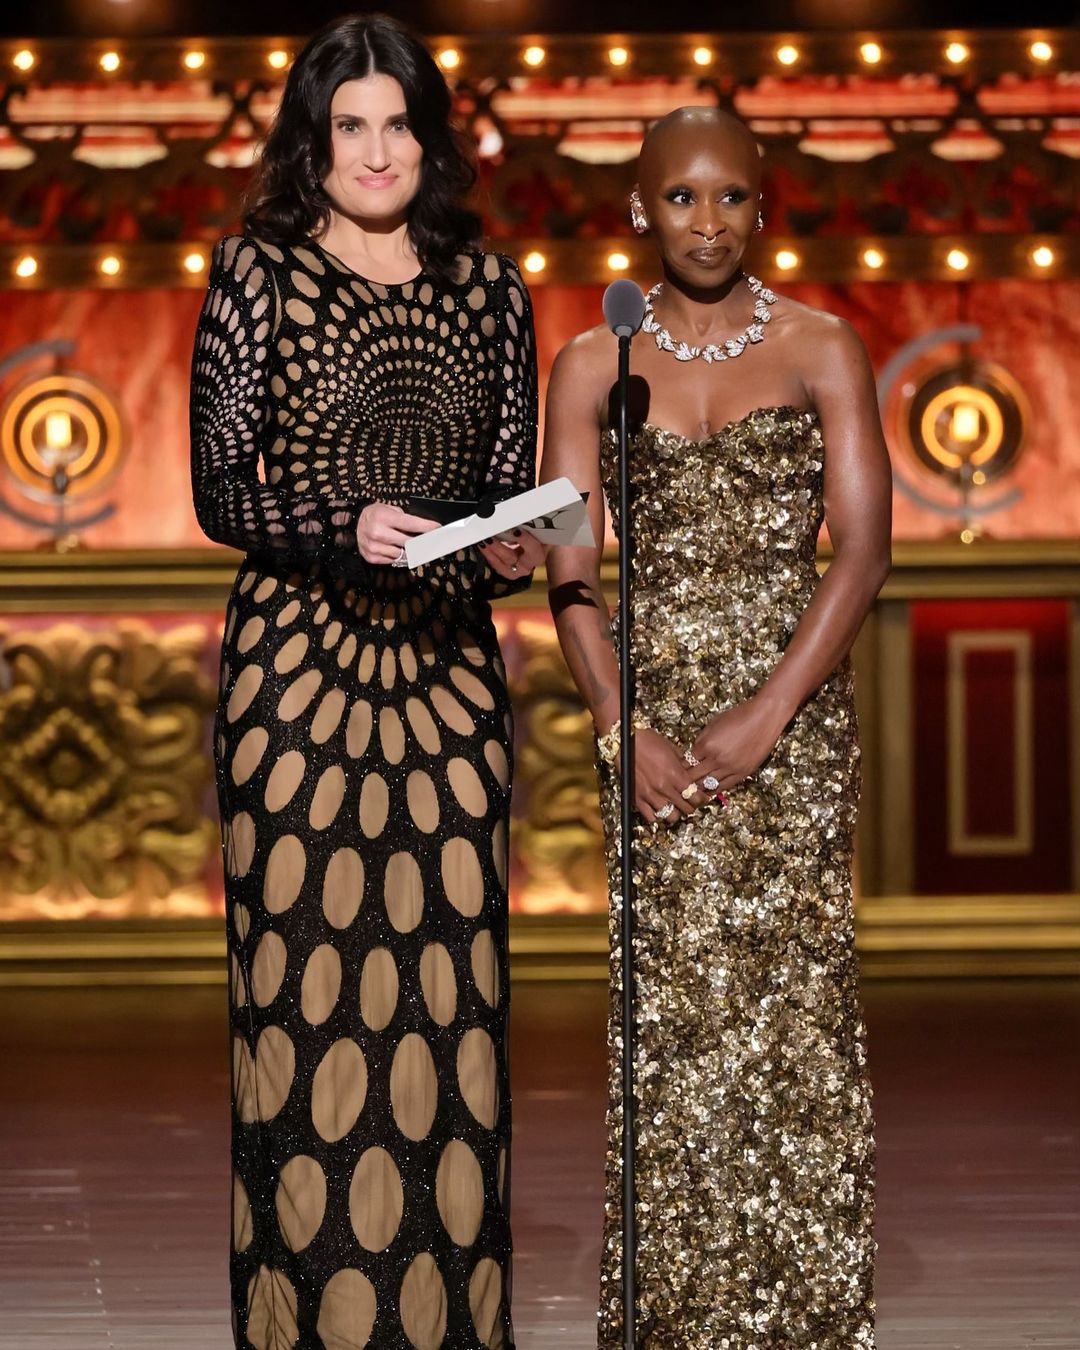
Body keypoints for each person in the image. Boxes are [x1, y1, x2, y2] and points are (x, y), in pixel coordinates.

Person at [188, 14, 541, 1348]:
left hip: (448, 684)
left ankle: (449, 1326)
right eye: (351, 126)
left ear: (431, 140)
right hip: (296, 677)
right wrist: (344, 522)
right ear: (312, 141)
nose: (377, 151)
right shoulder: (259, 272)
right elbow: (218, 489)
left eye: (399, 124)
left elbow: (504, 495)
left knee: (452, 998)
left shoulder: (491, 288)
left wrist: (508, 547)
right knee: (304, 995)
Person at [541, 106, 892, 1348]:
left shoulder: (822, 347)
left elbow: (863, 555)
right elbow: (570, 568)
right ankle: (673, 1323)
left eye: (731, 197)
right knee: (671, 1034)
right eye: (682, 199)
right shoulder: (591, 363)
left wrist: (770, 713)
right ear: (640, 208)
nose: (707, 222)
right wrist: (619, 727)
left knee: (791, 1022)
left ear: (762, 206)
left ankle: (804, 1323)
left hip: (791, 732)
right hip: (649, 734)